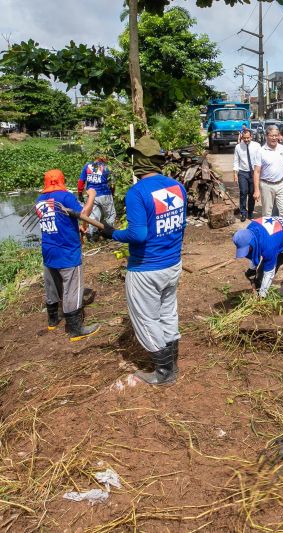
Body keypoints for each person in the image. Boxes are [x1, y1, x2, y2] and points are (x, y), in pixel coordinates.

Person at [103, 136, 186, 385]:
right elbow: (179, 225)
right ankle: (172, 363)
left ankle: (163, 372)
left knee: (146, 319)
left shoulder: (137, 192)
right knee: (167, 313)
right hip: (172, 264)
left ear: (140, 162)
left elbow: (138, 235)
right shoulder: (176, 187)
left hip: (146, 268)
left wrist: (112, 233)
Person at [36, 169, 99, 340]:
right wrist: (91, 196)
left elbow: (56, 222)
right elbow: (84, 214)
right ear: (62, 181)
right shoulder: (66, 197)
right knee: (72, 288)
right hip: (67, 252)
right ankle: (74, 329)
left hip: (49, 251)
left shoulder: (40, 200)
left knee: (53, 286)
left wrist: (74, 227)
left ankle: (53, 320)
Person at [232, 215, 283, 300]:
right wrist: (252, 268)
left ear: (251, 242)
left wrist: (262, 296)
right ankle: (259, 288)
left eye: (247, 248)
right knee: (261, 274)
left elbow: (269, 272)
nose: (246, 252)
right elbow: (254, 251)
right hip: (281, 239)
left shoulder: (268, 246)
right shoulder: (249, 230)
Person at [254, 125, 283, 218]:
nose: (274, 138)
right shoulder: (260, 151)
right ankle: (268, 232)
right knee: (267, 214)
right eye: (271, 135)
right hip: (266, 185)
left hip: (281, 184)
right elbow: (257, 172)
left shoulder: (282, 148)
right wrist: (256, 190)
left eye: (276, 135)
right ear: (266, 136)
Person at [77, 155, 116, 239]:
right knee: (110, 215)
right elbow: (112, 184)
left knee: (94, 216)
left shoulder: (87, 166)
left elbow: (81, 181)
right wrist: (112, 194)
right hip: (105, 194)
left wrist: (80, 193)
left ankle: (92, 235)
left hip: (92, 195)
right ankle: (108, 234)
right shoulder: (107, 167)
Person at [233, 128, 261, 221]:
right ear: (242, 137)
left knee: (252, 193)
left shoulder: (257, 146)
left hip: (254, 173)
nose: (246, 140)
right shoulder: (238, 147)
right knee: (243, 192)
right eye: (244, 138)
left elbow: (260, 160)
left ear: (251, 137)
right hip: (243, 172)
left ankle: (250, 212)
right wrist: (235, 174)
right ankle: (243, 212)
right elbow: (236, 161)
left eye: (248, 138)